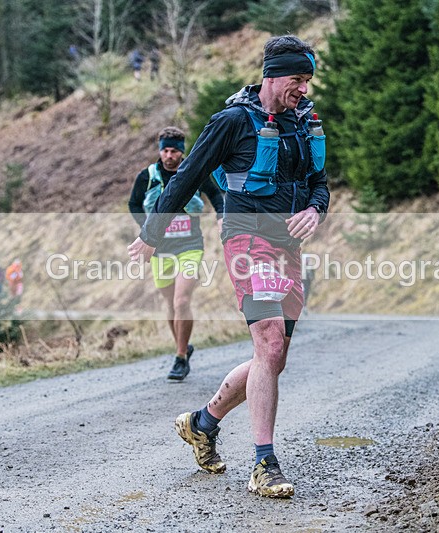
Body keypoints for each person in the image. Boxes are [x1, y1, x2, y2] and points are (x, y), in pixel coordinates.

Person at [127, 35, 329, 498]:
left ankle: (202, 423)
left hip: (287, 247)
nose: (303, 88)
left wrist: (315, 209)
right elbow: (188, 176)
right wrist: (150, 235)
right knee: (270, 342)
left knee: (272, 358)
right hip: (247, 240)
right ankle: (264, 463)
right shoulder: (233, 121)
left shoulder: (306, 122)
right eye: (298, 80)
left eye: (307, 80)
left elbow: (320, 182)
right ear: (273, 76)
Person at [128, 127, 224, 381]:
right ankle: (183, 345)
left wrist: (222, 216)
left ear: (182, 151)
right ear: (160, 150)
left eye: (174, 150)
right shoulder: (147, 176)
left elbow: (216, 195)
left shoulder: (194, 172)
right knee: (170, 305)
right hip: (160, 250)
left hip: (190, 246)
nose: (168, 155)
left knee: (182, 301)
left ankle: (180, 357)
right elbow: (134, 204)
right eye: (165, 150)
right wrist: (147, 229)